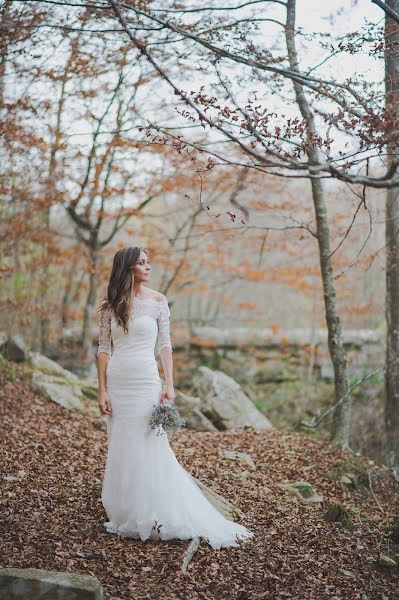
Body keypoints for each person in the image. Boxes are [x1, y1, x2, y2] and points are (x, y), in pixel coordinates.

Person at [96, 245, 255, 549]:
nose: (148, 266)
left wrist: (169, 382)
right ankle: (125, 508)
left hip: (145, 379)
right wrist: (102, 389)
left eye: (148, 262)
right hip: (118, 380)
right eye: (142, 263)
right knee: (121, 441)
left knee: (149, 441)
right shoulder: (110, 305)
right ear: (128, 268)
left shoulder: (158, 301)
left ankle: (154, 508)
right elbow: (104, 349)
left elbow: (165, 346)